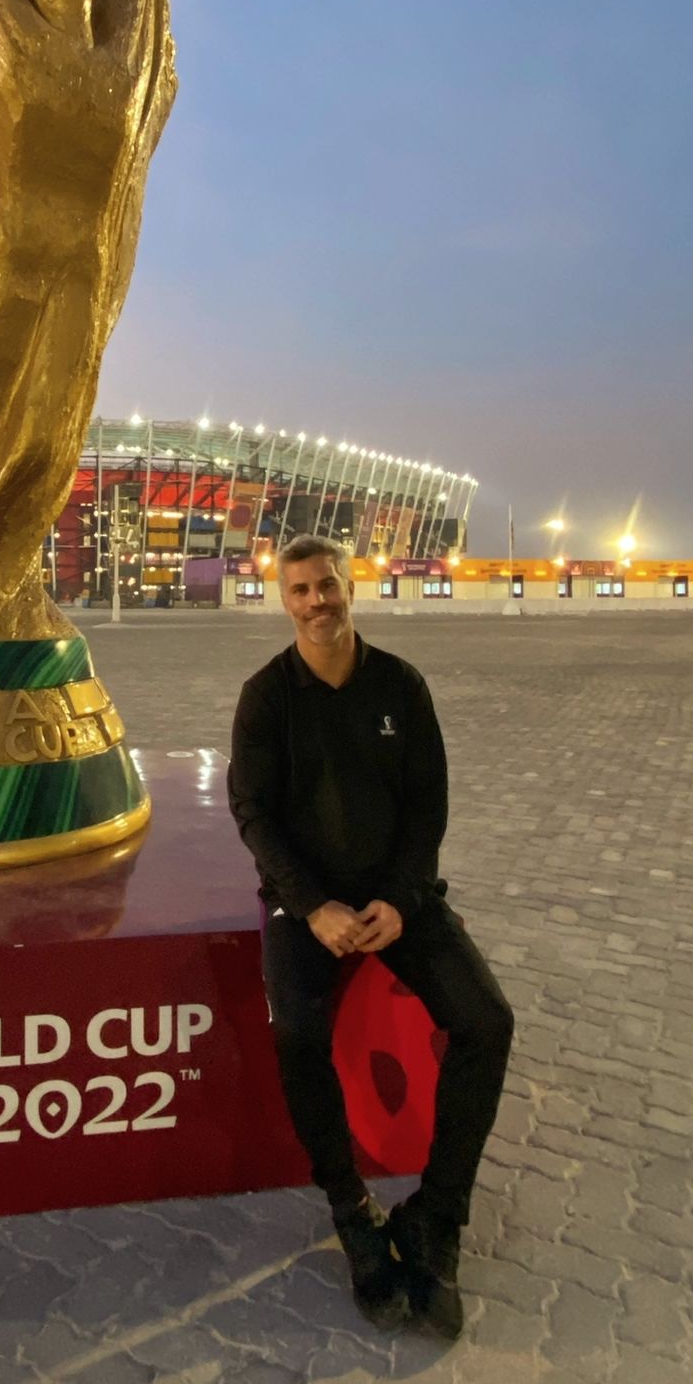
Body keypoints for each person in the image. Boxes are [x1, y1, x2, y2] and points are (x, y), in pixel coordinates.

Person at [227, 534, 514, 1336]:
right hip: (308, 906)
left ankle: (436, 1217)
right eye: (300, 590)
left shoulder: (400, 685)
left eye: (327, 585)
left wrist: (400, 897)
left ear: (351, 587)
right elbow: (253, 813)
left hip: (396, 899)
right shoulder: (267, 697)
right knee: (298, 1033)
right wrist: (312, 904)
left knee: (487, 1021)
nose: (316, 601)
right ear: (284, 601)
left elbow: (428, 805)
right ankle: (352, 1211)